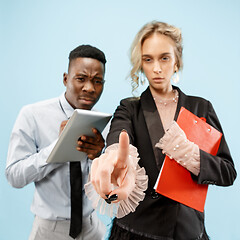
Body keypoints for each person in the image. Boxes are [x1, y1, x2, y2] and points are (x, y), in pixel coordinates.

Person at [89, 21, 237, 240]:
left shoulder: (201, 107)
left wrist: (189, 153)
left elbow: (227, 172)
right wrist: (115, 162)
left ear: (176, 61)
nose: (156, 68)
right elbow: (119, 139)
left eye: (164, 58)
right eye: (148, 59)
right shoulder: (129, 108)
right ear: (141, 64)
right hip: (136, 231)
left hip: (187, 231)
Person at [6, 44, 107, 240]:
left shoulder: (101, 122)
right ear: (65, 79)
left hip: (92, 228)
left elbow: (108, 188)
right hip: (49, 231)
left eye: (97, 81)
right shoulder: (32, 115)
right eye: (81, 79)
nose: (89, 88)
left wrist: (99, 158)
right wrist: (59, 147)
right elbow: (14, 176)